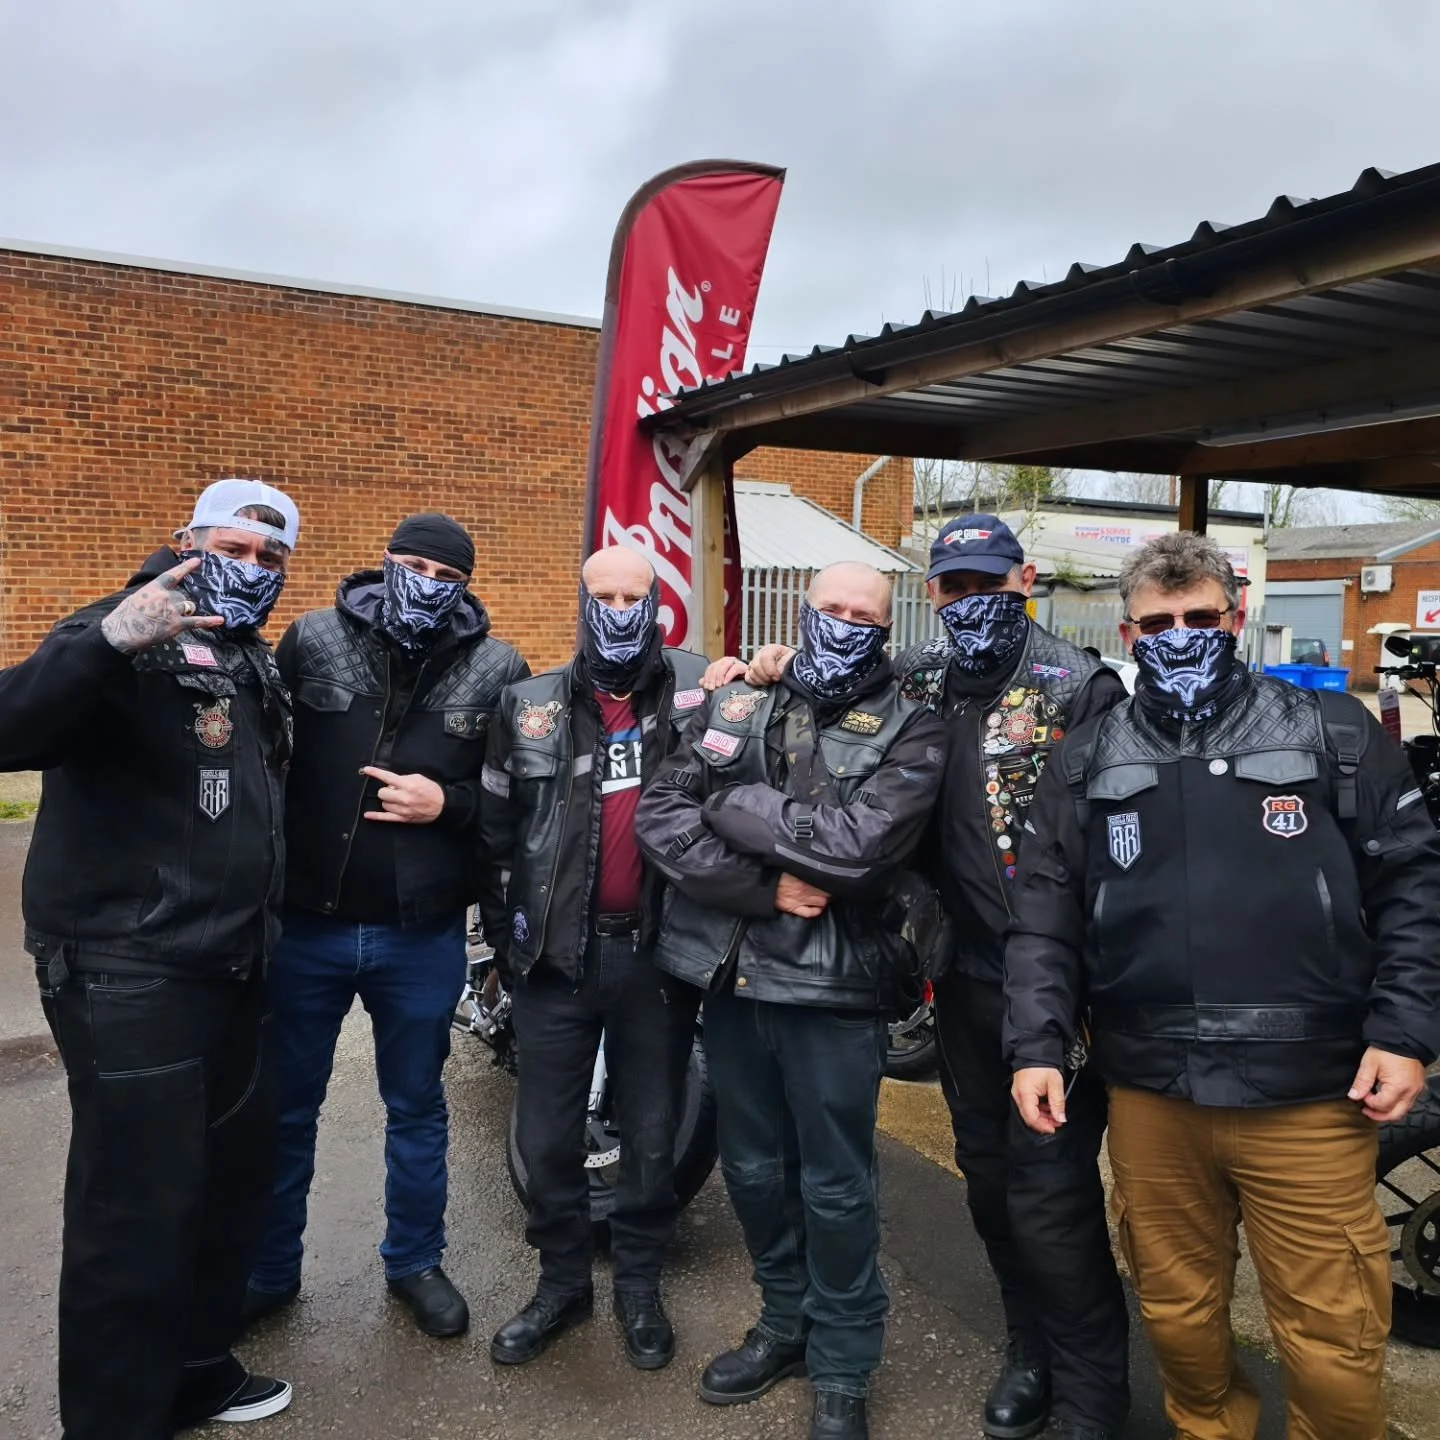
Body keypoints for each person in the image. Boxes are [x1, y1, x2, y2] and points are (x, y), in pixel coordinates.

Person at [1007, 531, 1440, 1440]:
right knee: (1179, 1319)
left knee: (1333, 1336)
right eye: (1159, 622)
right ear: (1129, 635)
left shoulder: (1333, 731)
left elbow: (1413, 888)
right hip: (1153, 1091)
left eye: (1200, 617)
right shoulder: (1086, 755)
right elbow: (1043, 915)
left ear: (1237, 618)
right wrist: (1037, 1045)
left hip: (1310, 1094)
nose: (1180, 634)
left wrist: (1405, 1033)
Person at [710, 517, 1131, 1440]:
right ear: (932, 594)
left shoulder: (1078, 686)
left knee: (1051, 1188)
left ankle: (1094, 1390)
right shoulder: (921, 677)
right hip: (959, 976)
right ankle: (1029, 1350)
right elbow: (835, 680)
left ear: (1023, 580)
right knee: (986, 1177)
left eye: (991, 583)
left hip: (1054, 980)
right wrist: (760, 667)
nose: (973, 602)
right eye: (954, 587)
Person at [0, 479, 300, 1438]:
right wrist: (103, 644)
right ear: (186, 540)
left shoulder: (249, 656)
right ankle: (114, 1418)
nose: (250, 566)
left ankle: (195, 1373)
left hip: (231, 965)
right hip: (129, 968)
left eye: (270, 556)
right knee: (134, 1212)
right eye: (233, 545)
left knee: (224, 1185)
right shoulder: (120, 630)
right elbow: (11, 728)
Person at [638, 561, 947, 1440]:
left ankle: (845, 1362)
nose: (847, 623)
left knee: (838, 1186)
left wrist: (733, 804)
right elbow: (662, 813)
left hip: (834, 984)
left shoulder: (912, 730)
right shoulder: (735, 699)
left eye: (866, 614)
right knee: (754, 1172)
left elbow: (858, 852)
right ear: (803, 613)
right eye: (832, 609)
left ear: (887, 628)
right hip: (730, 973)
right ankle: (785, 1324)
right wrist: (760, 887)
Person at [242, 513, 529, 1338]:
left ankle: (414, 1261)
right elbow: (260, 762)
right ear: (384, 562)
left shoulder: (496, 665)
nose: (426, 584)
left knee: (416, 1106)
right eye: (411, 566)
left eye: (446, 576)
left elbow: (514, 800)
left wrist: (450, 805)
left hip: (421, 933)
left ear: (467, 588)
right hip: (308, 926)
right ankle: (269, 1269)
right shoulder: (314, 640)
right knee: (288, 1108)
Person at [478, 545, 708, 1371]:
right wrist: (508, 941)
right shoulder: (528, 702)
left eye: (634, 595)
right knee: (545, 1140)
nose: (619, 607)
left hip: (655, 960)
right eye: (603, 594)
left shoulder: (698, 695)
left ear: (658, 606)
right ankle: (561, 1285)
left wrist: (767, 663)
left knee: (651, 1136)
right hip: (554, 967)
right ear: (580, 600)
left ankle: (638, 1287)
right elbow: (498, 837)